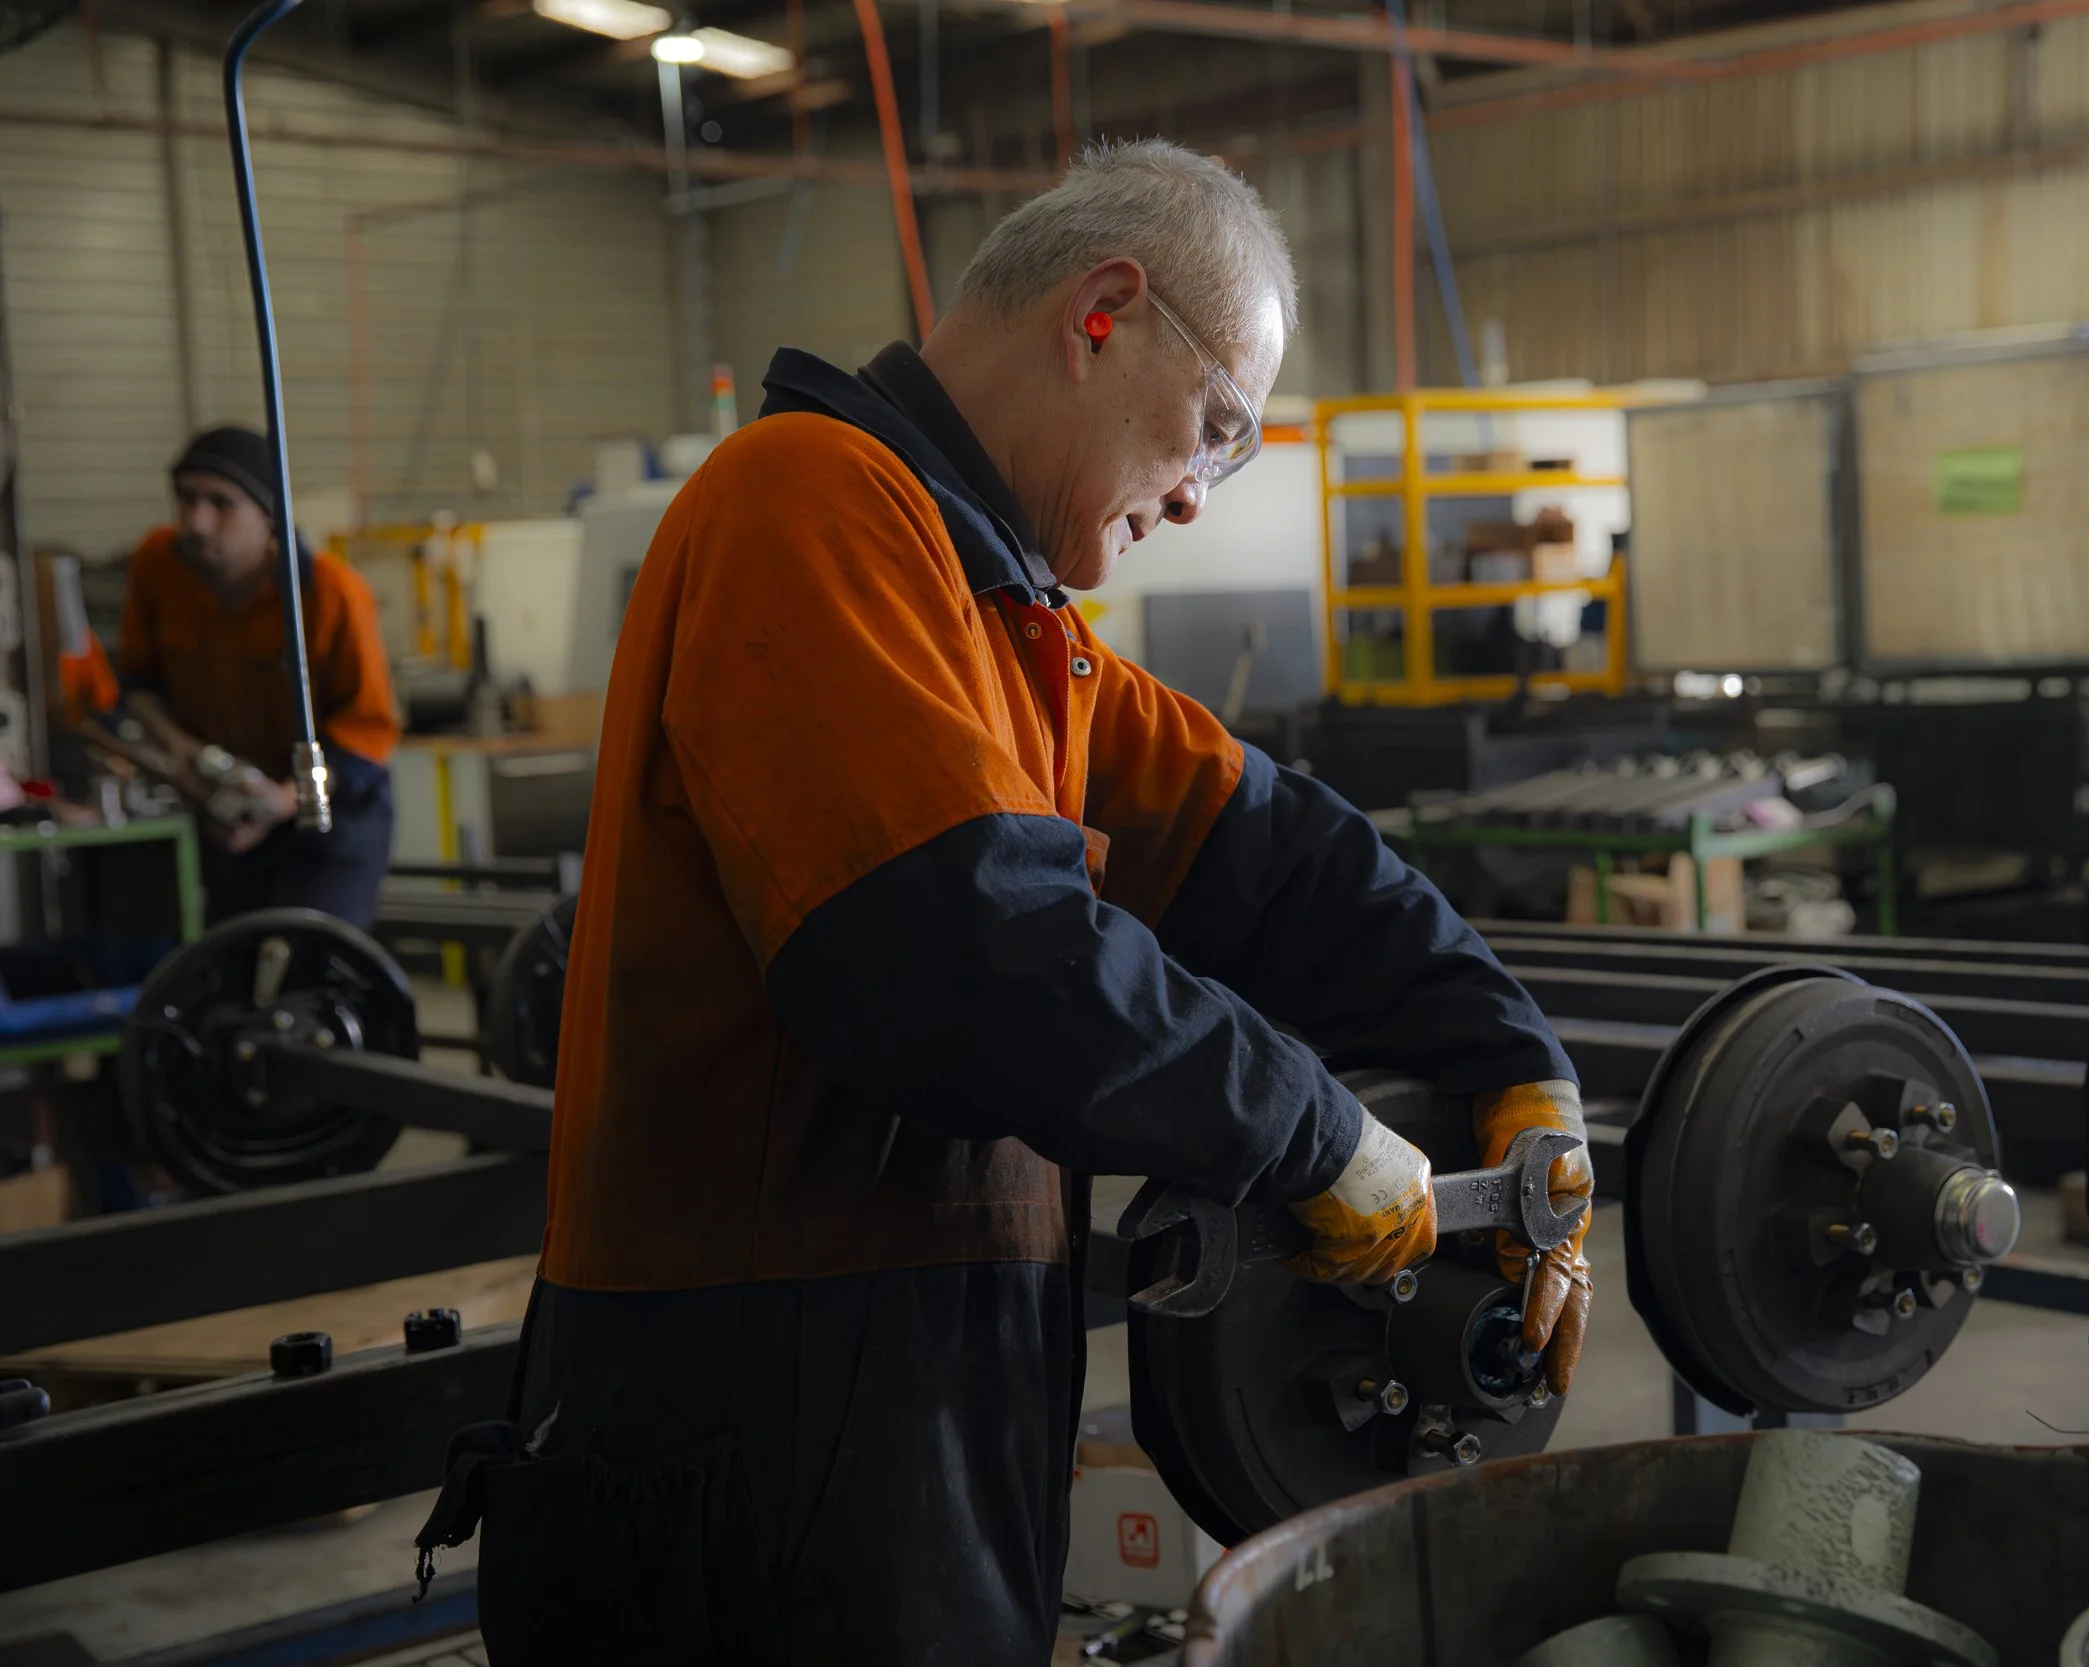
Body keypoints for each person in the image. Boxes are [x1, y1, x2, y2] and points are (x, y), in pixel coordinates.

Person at [420, 140, 1593, 1665]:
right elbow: (964, 952)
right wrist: (1317, 1133)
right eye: (1217, 430)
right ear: (1105, 311)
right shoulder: (811, 502)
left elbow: (1281, 856)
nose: (1196, 497)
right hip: (751, 1422)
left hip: (908, 1389)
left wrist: (1516, 1062)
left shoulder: (1010, 627)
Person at [117, 427, 399, 927]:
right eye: (186, 499)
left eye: (222, 504)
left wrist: (284, 800)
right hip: (224, 808)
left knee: (311, 960)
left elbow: (365, 740)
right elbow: (138, 687)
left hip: (325, 813)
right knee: (231, 964)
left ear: (270, 517)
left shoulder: (333, 595)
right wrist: (188, 757)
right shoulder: (157, 567)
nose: (197, 522)